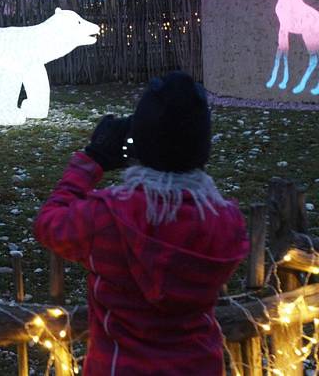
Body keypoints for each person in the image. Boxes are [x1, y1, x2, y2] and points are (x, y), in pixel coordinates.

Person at [35, 71, 249, 375]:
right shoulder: (226, 222)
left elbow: (49, 223)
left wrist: (92, 158)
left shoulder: (108, 216)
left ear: (141, 142)